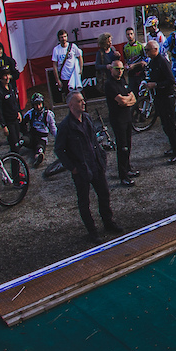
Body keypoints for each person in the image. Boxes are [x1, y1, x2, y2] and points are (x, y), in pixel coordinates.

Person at [56, 90, 123, 242]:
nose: (83, 103)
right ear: (71, 104)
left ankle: (108, 222)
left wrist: (101, 157)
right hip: (81, 169)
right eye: (79, 101)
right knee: (84, 202)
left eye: (83, 100)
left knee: (104, 194)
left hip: (95, 164)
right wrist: (72, 167)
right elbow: (59, 150)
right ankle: (92, 231)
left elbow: (93, 141)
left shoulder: (86, 118)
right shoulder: (65, 126)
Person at [103, 57, 139, 185]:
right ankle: (123, 175)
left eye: (121, 69)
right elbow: (122, 101)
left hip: (127, 118)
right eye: (117, 69)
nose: (119, 71)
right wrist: (127, 100)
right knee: (122, 147)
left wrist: (127, 99)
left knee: (128, 145)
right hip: (118, 120)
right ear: (111, 69)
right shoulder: (109, 84)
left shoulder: (123, 81)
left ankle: (128, 168)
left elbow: (133, 99)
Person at [147, 39, 176, 163]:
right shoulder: (152, 62)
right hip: (158, 98)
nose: (146, 52)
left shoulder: (162, 62)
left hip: (167, 98)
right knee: (164, 125)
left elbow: (171, 80)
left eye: (148, 49)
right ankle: (172, 147)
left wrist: (156, 84)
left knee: (170, 125)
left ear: (155, 50)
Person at [20, 92, 56, 167]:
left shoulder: (48, 114)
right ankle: (16, 149)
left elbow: (53, 128)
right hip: (32, 136)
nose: (38, 107)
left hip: (42, 138)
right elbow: (22, 123)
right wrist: (25, 133)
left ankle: (38, 158)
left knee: (40, 148)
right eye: (36, 105)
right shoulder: (30, 113)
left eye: (39, 104)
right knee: (23, 140)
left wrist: (59, 138)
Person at [0, 62, 22, 150]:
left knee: (18, 141)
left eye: (8, 75)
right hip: (8, 121)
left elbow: (15, 102)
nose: (7, 78)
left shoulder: (10, 87)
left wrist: (18, 112)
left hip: (15, 118)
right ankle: (15, 162)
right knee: (14, 145)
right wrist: (3, 126)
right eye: (5, 76)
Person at [51, 30, 83, 96]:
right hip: (64, 77)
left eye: (65, 37)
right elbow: (54, 65)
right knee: (69, 95)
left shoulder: (73, 46)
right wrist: (57, 79)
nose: (63, 39)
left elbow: (79, 57)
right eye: (62, 37)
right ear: (59, 39)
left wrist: (80, 70)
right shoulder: (56, 49)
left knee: (79, 94)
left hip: (74, 75)